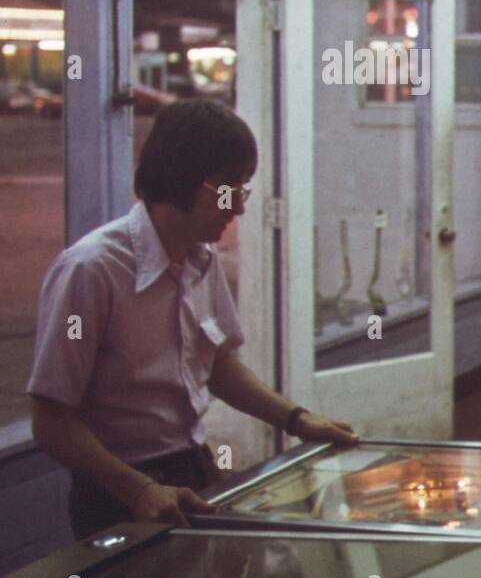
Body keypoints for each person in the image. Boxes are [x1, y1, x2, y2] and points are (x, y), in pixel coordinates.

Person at [28, 99, 358, 539]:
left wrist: (297, 420)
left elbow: (217, 365)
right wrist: (139, 490)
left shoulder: (201, 258)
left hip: (193, 468)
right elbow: (51, 421)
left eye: (244, 189)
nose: (239, 207)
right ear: (184, 179)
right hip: (118, 491)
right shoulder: (91, 270)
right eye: (229, 189)